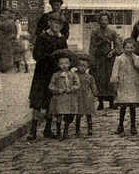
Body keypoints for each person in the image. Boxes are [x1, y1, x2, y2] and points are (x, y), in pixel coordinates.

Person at [27, 12, 68, 141]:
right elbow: (36, 55)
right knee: (37, 102)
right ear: (49, 23)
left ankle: (48, 129)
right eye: (55, 23)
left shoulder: (62, 39)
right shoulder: (42, 37)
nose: (57, 26)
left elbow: (65, 55)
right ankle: (33, 130)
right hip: (42, 73)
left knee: (52, 101)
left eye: (59, 24)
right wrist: (49, 57)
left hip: (55, 74)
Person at [111, 38, 139, 135]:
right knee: (123, 106)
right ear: (123, 48)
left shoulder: (137, 58)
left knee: (132, 106)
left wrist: (136, 62)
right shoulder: (119, 59)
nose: (129, 50)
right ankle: (120, 126)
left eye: (131, 47)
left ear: (134, 48)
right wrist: (115, 82)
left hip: (133, 84)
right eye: (127, 47)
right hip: (123, 84)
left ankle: (133, 126)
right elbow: (115, 72)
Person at [89, 13, 120, 110]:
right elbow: (92, 46)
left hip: (109, 58)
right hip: (99, 58)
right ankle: (100, 102)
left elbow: (118, 45)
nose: (103, 22)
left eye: (105, 20)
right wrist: (92, 59)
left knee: (110, 78)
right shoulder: (95, 32)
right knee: (99, 79)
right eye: (102, 20)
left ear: (108, 21)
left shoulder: (112, 32)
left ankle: (111, 101)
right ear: (99, 21)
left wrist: (113, 51)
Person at [48, 53, 80, 140]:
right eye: (61, 64)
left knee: (69, 116)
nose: (64, 65)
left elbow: (77, 84)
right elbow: (51, 86)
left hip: (70, 98)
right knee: (59, 115)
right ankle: (58, 132)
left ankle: (66, 131)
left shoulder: (72, 75)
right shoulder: (56, 75)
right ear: (58, 65)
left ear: (69, 64)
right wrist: (58, 90)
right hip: (59, 99)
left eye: (66, 63)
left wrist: (72, 89)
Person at [74, 56, 98, 136]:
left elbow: (93, 86)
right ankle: (77, 129)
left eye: (84, 66)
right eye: (80, 65)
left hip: (87, 97)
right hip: (78, 97)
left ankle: (90, 128)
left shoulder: (89, 77)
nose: (82, 68)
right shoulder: (74, 75)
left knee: (88, 113)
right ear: (77, 66)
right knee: (78, 114)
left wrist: (95, 94)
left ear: (87, 67)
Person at [0, 8, 18, 73]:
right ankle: (4, 68)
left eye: (5, 14)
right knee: (4, 55)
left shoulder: (9, 22)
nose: (3, 15)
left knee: (6, 55)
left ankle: (5, 68)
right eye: (3, 14)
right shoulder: (4, 22)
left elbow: (14, 32)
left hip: (7, 41)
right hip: (3, 41)